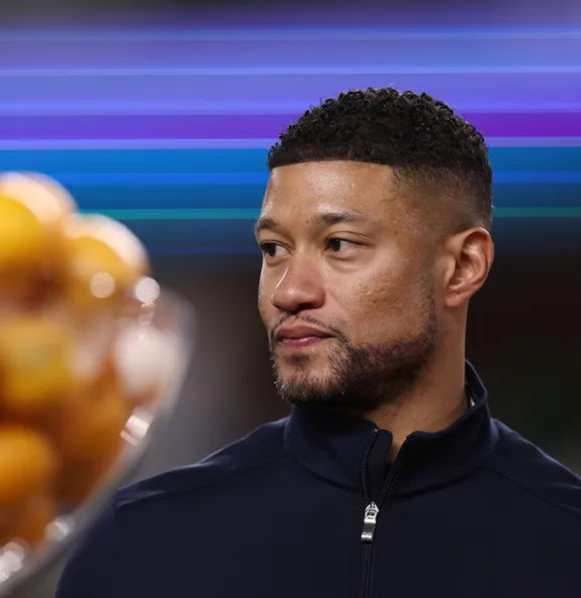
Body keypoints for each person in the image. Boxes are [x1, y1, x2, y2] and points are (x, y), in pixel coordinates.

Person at [54, 88, 581, 598]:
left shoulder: (565, 541)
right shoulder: (142, 542)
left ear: (463, 267)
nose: (289, 292)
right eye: (274, 248)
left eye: (340, 244)